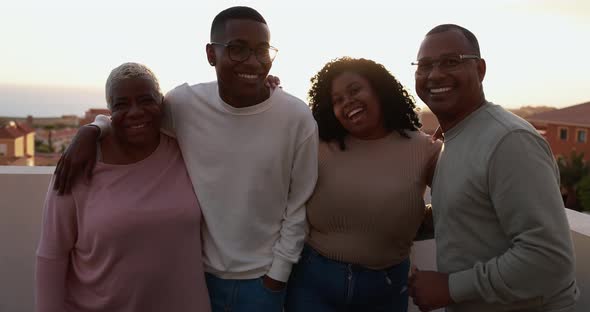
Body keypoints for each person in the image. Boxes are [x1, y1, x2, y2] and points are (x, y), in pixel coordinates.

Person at [52, 6, 318, 312]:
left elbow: (298, 204)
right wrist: (91, 130)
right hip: (195, 280)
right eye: (237, 49)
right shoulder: (186, 105)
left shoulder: (296, 117)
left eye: (261, 50)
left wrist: (277, 277)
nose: (253, 61)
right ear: (210, 54)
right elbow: (136, 116)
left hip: (263, 284)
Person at [408, 24, 579, 312]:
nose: (435, 74)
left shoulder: (509, 141)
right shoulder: (454, 138)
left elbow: (548, 257)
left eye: (451, 62)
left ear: (480, 69)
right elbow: (475, 210)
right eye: (425, 65)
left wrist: (450, 287)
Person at [36, 63, 210, 312]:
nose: (135, 111)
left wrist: (267, 88)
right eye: (121, 104)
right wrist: (93, 128)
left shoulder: (184, 149)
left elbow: (225, 115)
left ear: (161, 102)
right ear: (110, 110)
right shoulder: (78, 166)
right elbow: (52, 254)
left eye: (145, 100)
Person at [284, 57, 441, 312]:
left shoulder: (425, 150)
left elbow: (460, 206)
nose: (347, 102)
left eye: (355, 90)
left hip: (386, 288)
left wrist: (409, 220)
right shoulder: (317, 146)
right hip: (314, 284)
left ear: (378, 89)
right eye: (337, 100)